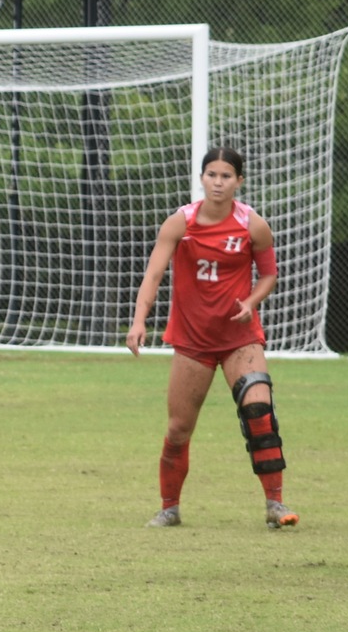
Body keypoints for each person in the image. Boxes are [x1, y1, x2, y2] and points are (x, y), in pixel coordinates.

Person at [125, 145, 296, 530]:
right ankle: (169, 508)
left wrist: (252, 301)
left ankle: (276, 505)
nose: (218, 183)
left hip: (240, 338)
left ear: (239, 181)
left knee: (259, 412)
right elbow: (153, 275)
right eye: (212, 175)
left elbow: (269, 274)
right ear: (202, 178)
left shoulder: (253, 224)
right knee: (178, 429)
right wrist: (139, 321)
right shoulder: (180, 223)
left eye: (226, 176)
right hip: (192, 341)